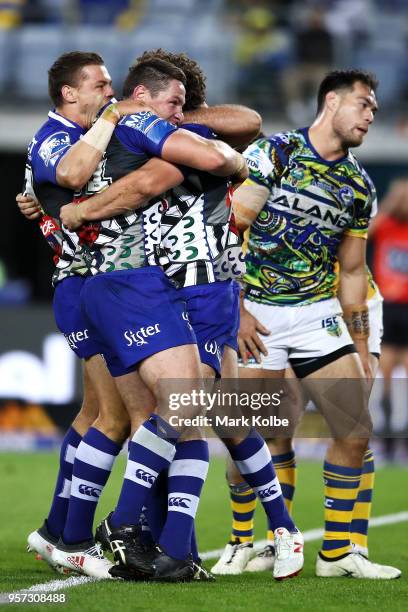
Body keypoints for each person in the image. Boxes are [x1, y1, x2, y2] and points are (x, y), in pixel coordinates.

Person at [60, 52, 305, 582]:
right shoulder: (132, 137)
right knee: (181, 416)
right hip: (158, 288)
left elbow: (246, 126)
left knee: (216, 418)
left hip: (206, 291)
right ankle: (171, 546)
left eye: (182, 100)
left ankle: (278, 530)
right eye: (166, 98)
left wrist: (180, 120)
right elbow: (122, 182)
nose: (173, 107)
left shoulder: (196, 141)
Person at [218, 69, 400, 579]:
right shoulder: (274, 154)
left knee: (355, 428)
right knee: (250, 434)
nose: (370, 115)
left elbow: (350, 269)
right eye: (363, 104)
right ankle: (241, 540)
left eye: (374, 110)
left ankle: (337, 552)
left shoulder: (359, 185)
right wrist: (237, 310)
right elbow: (230, 229)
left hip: (316, 314)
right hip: (257, 314)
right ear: (332, 102)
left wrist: (360, 344)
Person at [21, 51, 152, 579]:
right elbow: (68, 172)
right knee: (115, 418)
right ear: (69, 94)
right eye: (99, 84)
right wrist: (112, 117)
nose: (110, 91)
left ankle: (57, 527)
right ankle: (73, 537)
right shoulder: (54, 135)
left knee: (94, 415)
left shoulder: (89, 135)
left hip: (96, 286)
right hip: (81, 285)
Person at [370, 179, 408, 458]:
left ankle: (401, 428)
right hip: (389, 305)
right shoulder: (386, 226)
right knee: (384, 370)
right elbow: (367, 232)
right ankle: (386, 430)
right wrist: (392, 200)